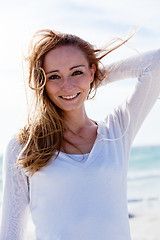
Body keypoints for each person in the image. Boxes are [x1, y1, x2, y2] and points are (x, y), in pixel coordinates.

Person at [0, 29, 160, 240]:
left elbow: (155, 64)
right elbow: (10, 232)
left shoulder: (117, 131)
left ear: (92, 72)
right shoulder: (24, 145)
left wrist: (89, 82)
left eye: (76, 72)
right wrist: (80, 81)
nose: (67, 85)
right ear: (43, 83)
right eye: (54, 76)